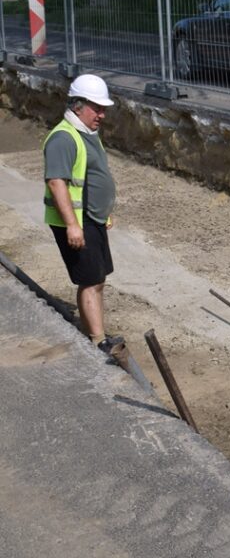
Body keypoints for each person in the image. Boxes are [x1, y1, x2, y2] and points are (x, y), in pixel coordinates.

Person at [43, 74, 124, 355]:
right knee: (90, 280)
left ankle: (98, 333)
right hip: (77, 223)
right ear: (78, 106)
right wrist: (72, 226)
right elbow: (57, 182)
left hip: (92, 219)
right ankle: (99, 341)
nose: (102, 114)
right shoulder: (64, 138)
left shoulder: (87, 134)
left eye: (103, 109)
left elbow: (92, 177)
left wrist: (104, 212)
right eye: (96, 108)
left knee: (98, 278)